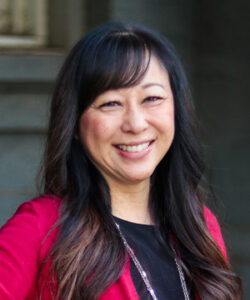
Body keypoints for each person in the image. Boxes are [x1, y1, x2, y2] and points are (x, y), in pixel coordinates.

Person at [0, 22, 242, 300]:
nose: (136, 124)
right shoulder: (41, 226)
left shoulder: (199, 226)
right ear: (75, 122)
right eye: (111, 103)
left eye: (152, 98)